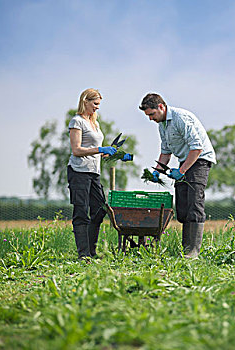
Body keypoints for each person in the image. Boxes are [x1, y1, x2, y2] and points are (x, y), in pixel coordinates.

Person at [139, 93, 216, 258]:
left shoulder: (181, 119)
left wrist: (181, 171)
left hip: (200, 160)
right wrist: (156, 171)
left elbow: (197, 148)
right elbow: (166, 152)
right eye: (148, 116)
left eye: (152, 114)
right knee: (182, 207)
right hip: (185, 161)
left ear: (161, 107)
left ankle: (193, 251)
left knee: (194, 202)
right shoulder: (162, 126)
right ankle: (185, 248)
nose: (151, 119)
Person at [67, 88, 132, 260]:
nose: (97, 108)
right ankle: (84, 254)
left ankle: (92, 251)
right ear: (85, 101)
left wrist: (112, 154)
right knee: (81, 210)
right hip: (79, 171)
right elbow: (76, 150)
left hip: (93, 172)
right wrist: (100, 148)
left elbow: (95, 151)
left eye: (99, 104)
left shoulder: (95, 123)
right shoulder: (76, 122)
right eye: (95, 104)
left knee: (99, 209)